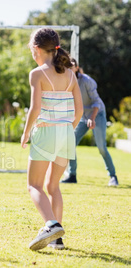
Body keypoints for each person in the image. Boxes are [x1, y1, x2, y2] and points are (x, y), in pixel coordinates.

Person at [21, 28, 83, 250]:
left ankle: (51, 225)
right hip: (67, 134)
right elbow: (80, 110)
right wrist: (67, 129)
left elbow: (35, 108)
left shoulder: (36, 74)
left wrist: (26, 132)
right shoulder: (70, 74)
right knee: (53, 186)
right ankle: (57, 239)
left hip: (46, 132)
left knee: (34, 185)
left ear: (36, 49)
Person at [61, 58, 119, 186]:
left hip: (97, 114)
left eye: (71, 66)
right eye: (67, 67)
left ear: (76, 67)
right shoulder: (65, 81)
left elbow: (96, 102)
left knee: (101, 147)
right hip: (82, 116)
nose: (69, 69)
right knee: (70, 143)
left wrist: (92, 118)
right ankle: (72, 175)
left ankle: (113, 176)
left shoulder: (87, 81)